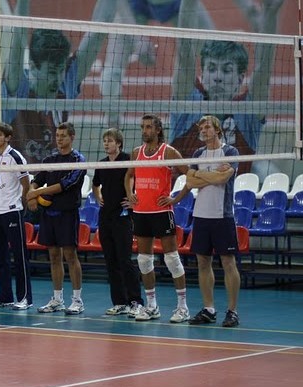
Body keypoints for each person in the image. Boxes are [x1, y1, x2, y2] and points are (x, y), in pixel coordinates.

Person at [170, 0, 282, 175]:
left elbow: (264, 67)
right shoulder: (189, 104)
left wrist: (270, 13)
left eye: (227, 70)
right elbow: (184, 51)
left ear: (240, 79)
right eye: (211, 69)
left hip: (235, 192)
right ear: (202, 74)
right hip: (184, 192)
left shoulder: (247, 113)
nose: (218, 77)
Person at [3, 0, 114, 163]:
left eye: (61, 70)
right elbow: (19, 34)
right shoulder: (18, 88)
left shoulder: (64, 82)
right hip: (20, 176)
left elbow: (98, 32)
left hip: (55, 175)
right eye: (51, 72)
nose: (58, 79)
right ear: (33, 66)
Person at [124, 114, 190, 322]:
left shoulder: (168, 152)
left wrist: (175, 198)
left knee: (172, 259)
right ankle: (152, 306)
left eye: (149, 127)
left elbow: (190, 175)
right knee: (144, 260)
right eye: (143, 127)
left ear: (158, 130)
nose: (145, 131)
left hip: (162, 212)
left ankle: (183, 307)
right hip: (141, 213)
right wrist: (130, 193)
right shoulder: (137, 152)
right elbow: (129, 175)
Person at [181, 115, 242, 328]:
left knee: (228, 262)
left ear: (217, 130)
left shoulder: (231, 152)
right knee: (203, 262)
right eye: (201, 128)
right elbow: (190, 182)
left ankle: (232, 311)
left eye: (207, 127)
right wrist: (212, 174)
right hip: (201, 215)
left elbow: (223, 179)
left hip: (222, 215)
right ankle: (209, 309)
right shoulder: (198, 154)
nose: (203, 131)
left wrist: (201, 175)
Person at [26, 122, 86, 315]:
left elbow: (63, 185)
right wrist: (32, 193)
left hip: (67, 214)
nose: (59, 139)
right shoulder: (50, 159)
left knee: (70, 255)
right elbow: (36, 180)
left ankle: (77, 300)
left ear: (72, 137)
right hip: (48, 214)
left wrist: (36, 193)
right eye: (57, 136)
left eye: (63, 136)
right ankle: (57, 299)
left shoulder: (78, 160)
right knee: (53, 256)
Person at [92, 128, 144, 316]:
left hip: (122, 218)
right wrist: (97, 196)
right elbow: (95, 184)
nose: (106, 144)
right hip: (105, 217)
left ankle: (136, 301)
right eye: (105, 140)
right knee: (111, 261)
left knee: (125, 260)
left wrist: (133, 200)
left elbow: (139, 181)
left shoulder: (128, 160)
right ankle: (120, 302)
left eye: (110, 140)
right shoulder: (102, 164)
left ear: (119, 143)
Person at [0, 122, 32, 310]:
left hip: (12, 211)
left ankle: (25, 298)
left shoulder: (15, 157)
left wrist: (21, 206)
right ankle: (5, 296)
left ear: (8, 137)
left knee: (19, 256)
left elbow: (26, 185)